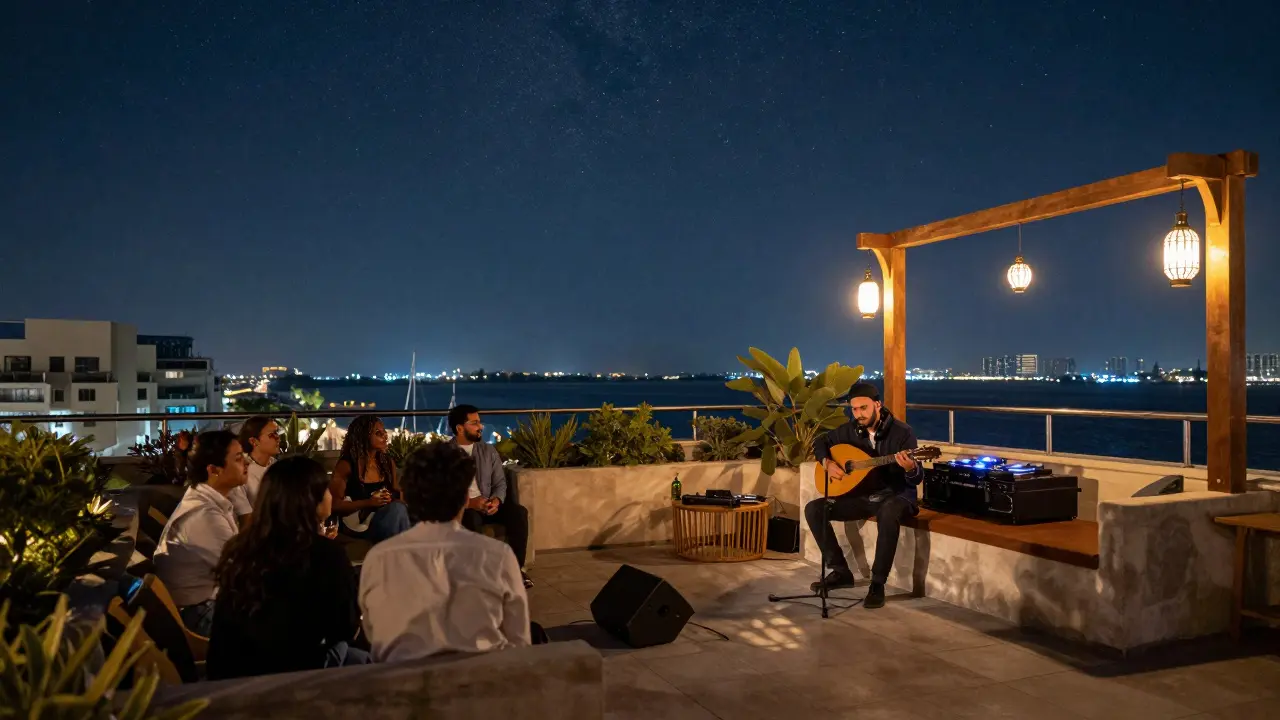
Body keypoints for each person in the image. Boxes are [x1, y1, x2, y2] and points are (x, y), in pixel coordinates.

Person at [359, 441, 531, 662]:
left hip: (404, 682)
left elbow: (375, 636)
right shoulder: (498, 556)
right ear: (465, 498)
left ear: (409, 497)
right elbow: (520, 643)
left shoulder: (379, 558)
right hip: (481, 679)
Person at [207, 456, 369, 679]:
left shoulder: (241, 549)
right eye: (327, 490)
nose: (331, 496)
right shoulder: (324, 553)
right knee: (365, 656)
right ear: (312, 500)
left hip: (231, 676)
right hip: (286, 681)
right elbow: (344, 628)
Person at [805, 382, 922, 609]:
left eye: (863, 408)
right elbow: (821, 442)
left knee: (888, 513)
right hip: (863, 496)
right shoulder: (850, 430)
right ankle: (840, 572)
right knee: (814, 508)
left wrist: (909, 468)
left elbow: (916, 479)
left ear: (877, 404)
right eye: (854, 409)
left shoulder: (902, 432)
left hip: (896, 495)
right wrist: (826, 462)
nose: (858, 414)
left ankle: (877, 583)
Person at [153, 430, 248, 635]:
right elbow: (245, 573)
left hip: (204, 604)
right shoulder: (204, 515)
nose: (247, 463)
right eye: (239, 458)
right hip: (200, 614)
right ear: (214, 469)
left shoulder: (209, 501)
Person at [448, 404, 532, 588]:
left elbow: (500, 482)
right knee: (470, 519)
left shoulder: (488, 451)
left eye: (480, 422)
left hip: (488, 503)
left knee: (519, 513)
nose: (481, 426)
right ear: (459, 428)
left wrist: (497, 500)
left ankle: (516, 571)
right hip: (465, 508)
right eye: (475, 423)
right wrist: (469, 503)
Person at [329, 416, 411, 543]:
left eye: (384, 432)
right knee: (397, 510)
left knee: (404, 510)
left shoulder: (387, 462)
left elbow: (397, 492)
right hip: (357, 524)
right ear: (363, 436)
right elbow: (334, 505)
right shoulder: (347, 465)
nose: (385, 436)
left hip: (387, 518)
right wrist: (369, 502)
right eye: (378, 433)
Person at [236, 415, 281, 510]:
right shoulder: (242, 470)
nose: (278, 438)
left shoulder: (278, 466)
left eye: (277, 433)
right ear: (253, 441)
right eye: (272, 435)